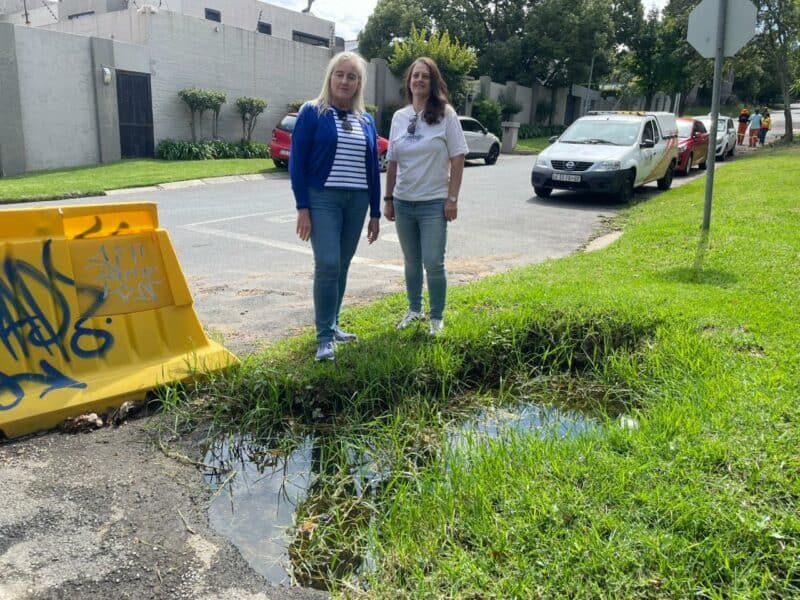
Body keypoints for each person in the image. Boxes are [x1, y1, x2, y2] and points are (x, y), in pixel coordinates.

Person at [289, 52, 381, 361]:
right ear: (330, 77)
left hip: (357, 201)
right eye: (339, 74)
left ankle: (334, 323)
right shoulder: (312, 112)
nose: (345, 81)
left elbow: (372, 168)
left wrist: (375, 213)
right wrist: (303, 207)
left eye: (352, 76)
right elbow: (296, 162)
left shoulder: (365, 119)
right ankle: (324, 337)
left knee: (342, 264)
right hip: (323, 199)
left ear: (359, 83)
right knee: (327, 263)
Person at [383, 57, 468, 336]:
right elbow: (392, 161)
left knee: (433, 261)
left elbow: (458, 158)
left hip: (434, 202)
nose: (419, 80)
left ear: (433, 83)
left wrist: (452, 199)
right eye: (415, 76)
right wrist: (389, 199)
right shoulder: (399, 117)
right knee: (411, 260)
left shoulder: (446, 114)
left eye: (425, 76)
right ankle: (414, 309)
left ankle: (436, 317)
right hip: (404, 202)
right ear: (409, 82)